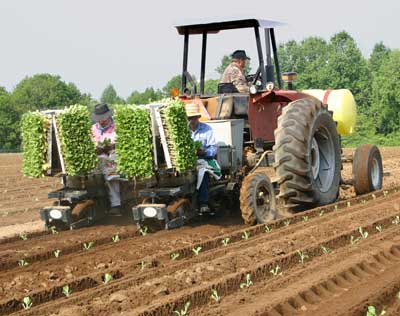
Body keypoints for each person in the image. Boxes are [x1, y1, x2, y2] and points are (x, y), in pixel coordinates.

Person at [185, 103, 218, 214]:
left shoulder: (207, 129)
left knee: (202, 171)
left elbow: (213, 149)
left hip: (204, 158)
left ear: (198, 117)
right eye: (189, 118)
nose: (192, 120)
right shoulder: (184, 132)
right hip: (189, 160)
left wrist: (204, 152)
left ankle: (203, 202)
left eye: (194, 118)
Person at [91, 103, 121, 216]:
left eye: (103, 118)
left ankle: (115, 204)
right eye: (99, 119)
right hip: (98, 157)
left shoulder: (116, 126)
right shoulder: (94, 128)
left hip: (113, 156)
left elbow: (119, 142)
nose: (102, 121)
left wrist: (111, 147)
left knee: (111, 172)